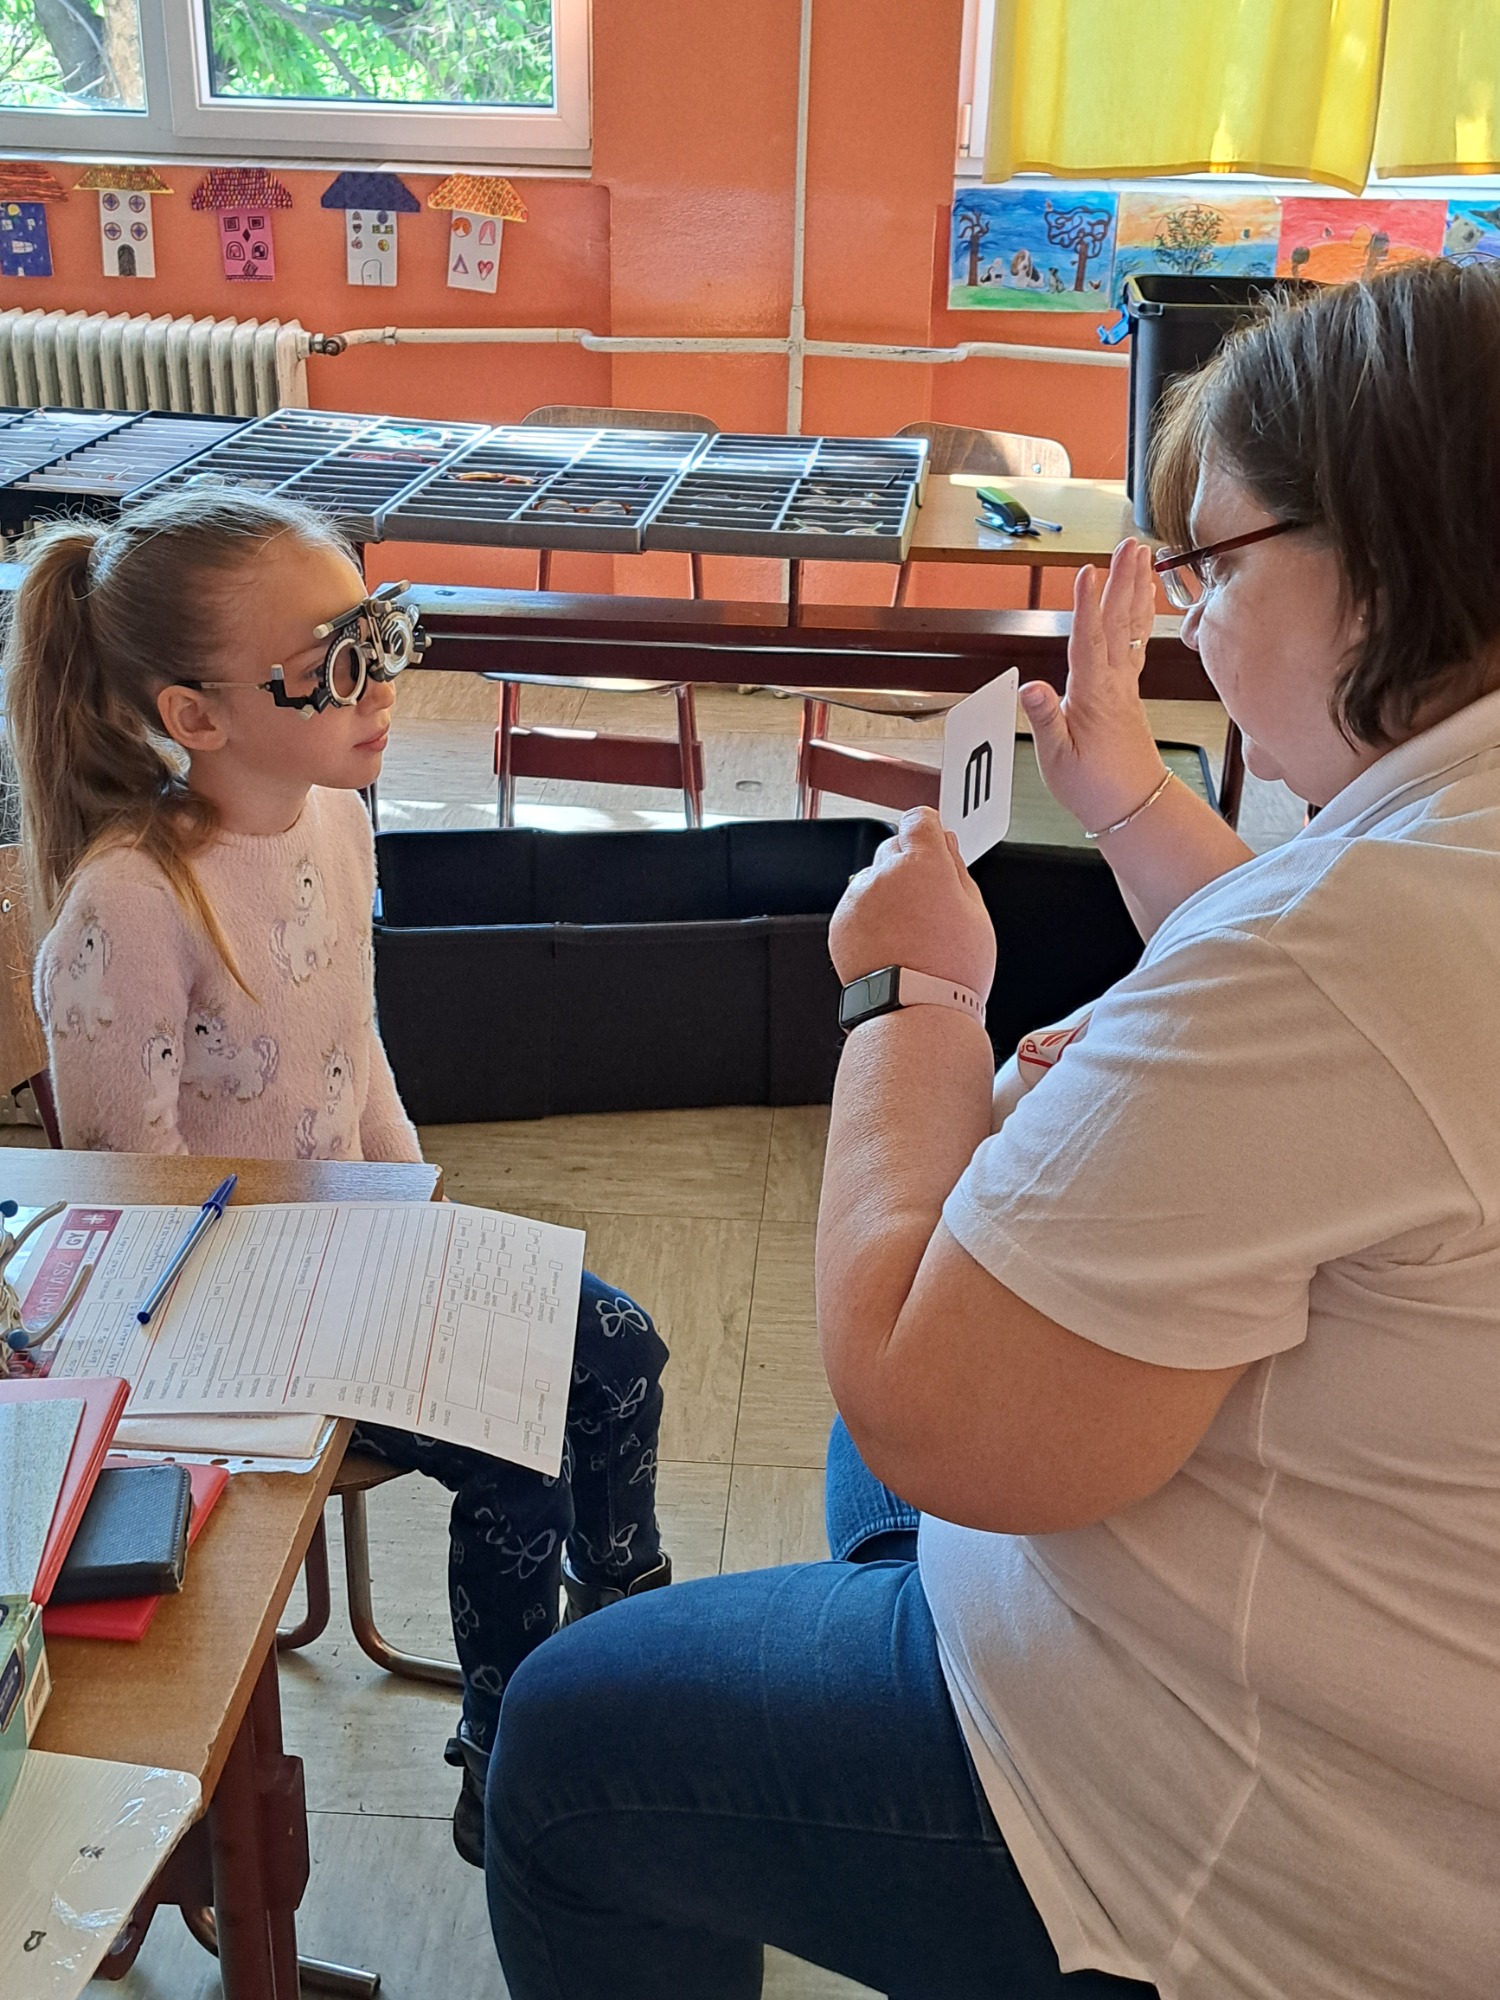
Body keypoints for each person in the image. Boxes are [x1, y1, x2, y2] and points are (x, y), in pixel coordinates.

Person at [485, 257, 1500, 1999]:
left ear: (1382, 557)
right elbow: (1343, 995)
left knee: (574, 1748)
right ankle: (878, 1689)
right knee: (877, 1478)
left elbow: (925, 1402)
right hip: (1353, 1668)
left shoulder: (1340, 947)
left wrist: (911, 1001)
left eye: (1213, 566)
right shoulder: (1432, 858)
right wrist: (1127, 796)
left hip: (1249, 1830)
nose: (1190, 622)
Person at [5, 488, 671, 1868]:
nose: (383, 684)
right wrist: (369, 1291)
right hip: (231, 1331)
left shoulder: (337, 818)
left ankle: (618, 1653)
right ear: (195, 716)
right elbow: (143, 1214)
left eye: (383, 634)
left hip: (359, 1256)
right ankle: (510, 1759)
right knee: (520, 1458)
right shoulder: (132, 905)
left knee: (622, 1353)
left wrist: (425, 1220)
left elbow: (352, 1051)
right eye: (338, 662)